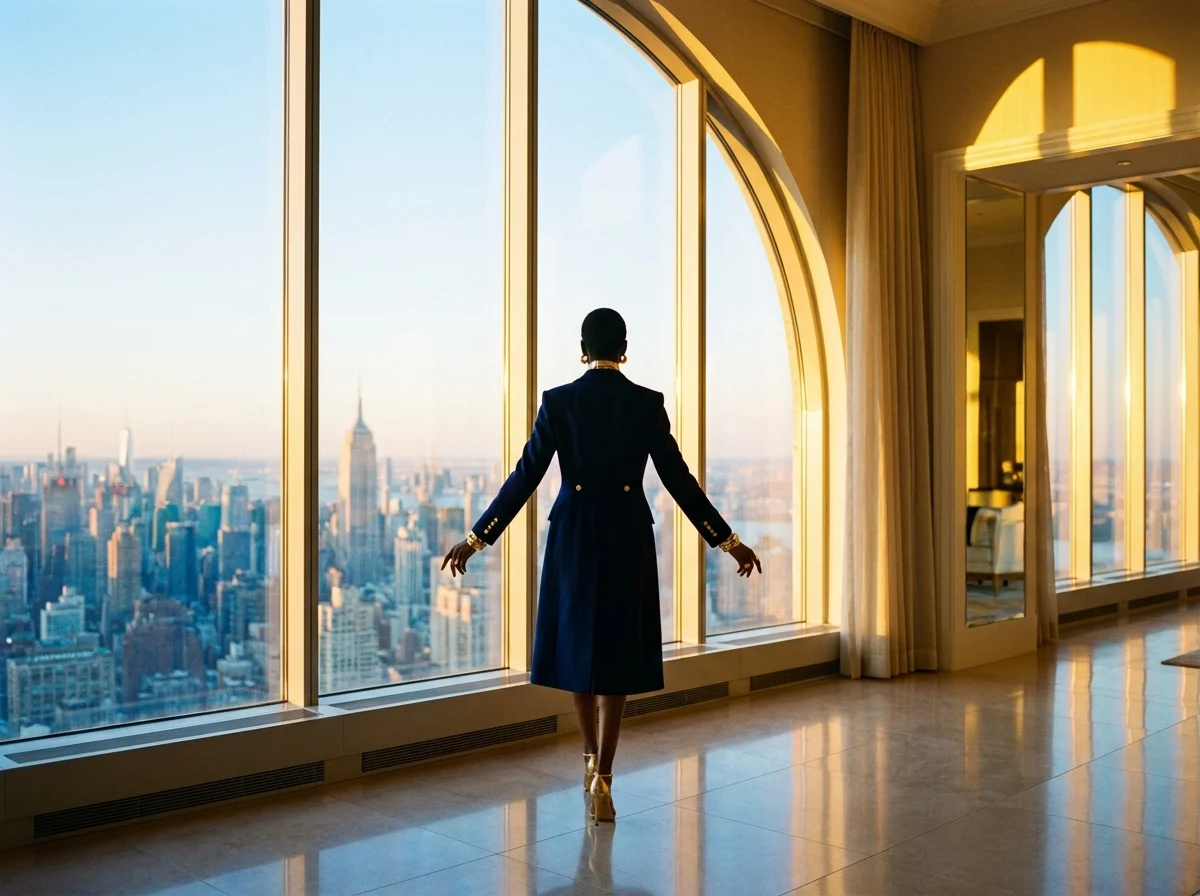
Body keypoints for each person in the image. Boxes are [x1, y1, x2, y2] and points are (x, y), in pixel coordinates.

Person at [442, 308, 760, 824]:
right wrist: (727, 540)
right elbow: (679, 480)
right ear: (625, 348)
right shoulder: (646, 404)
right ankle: (604, 775)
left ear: (582, 350)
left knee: (577, 646)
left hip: (573, 536)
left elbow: (525, 476)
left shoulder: (559, 402)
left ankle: (588, 756)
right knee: (617, 653)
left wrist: (478, 537)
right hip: (626, 535)